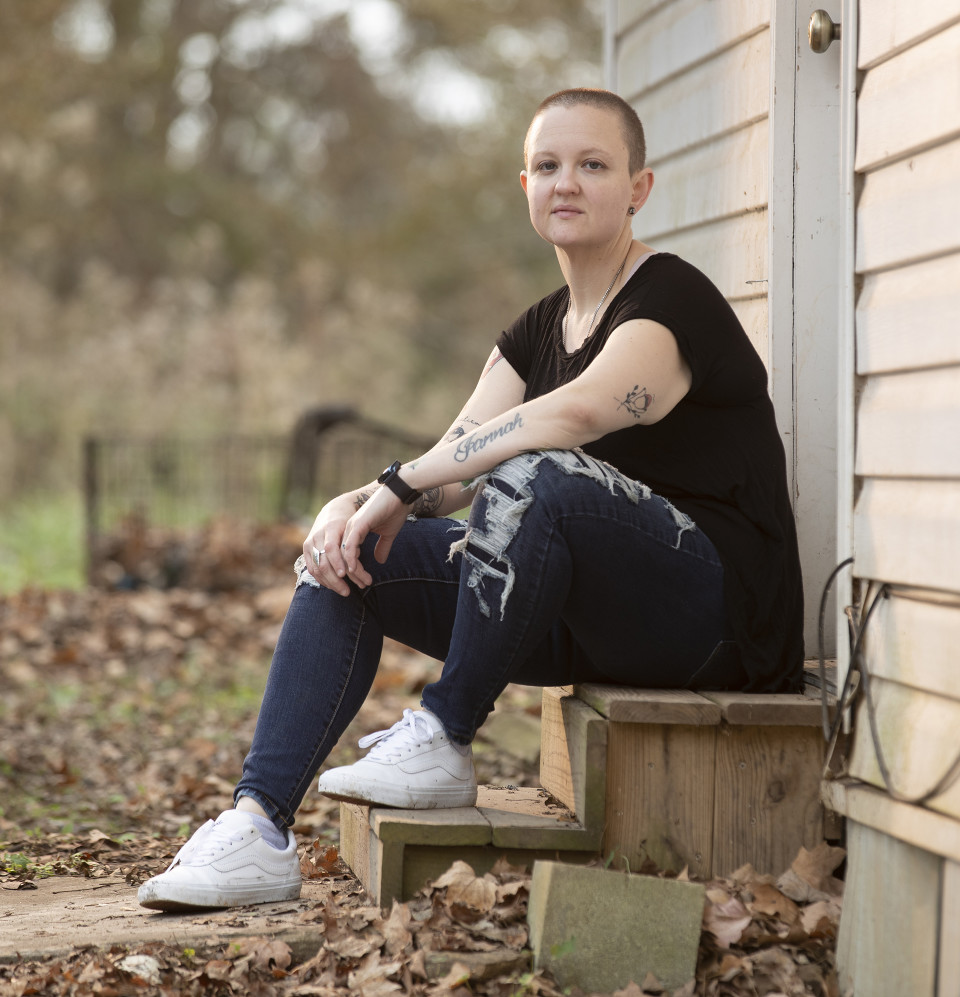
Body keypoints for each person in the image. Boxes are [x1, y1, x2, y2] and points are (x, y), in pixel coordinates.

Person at [138, 87, 803, 911]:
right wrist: (351, 503)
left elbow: (576, 412)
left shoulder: (671, 298)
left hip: (716, 620)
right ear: (522, 184)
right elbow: (449, 462)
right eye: (549, 166)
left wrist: (399, 483)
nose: (568, 182)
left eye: (594, 165)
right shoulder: (535, 329)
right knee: (351, 557)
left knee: (537, 471)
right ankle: (257, 825)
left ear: (639, 187)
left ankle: (446, 733)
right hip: (592, 614)